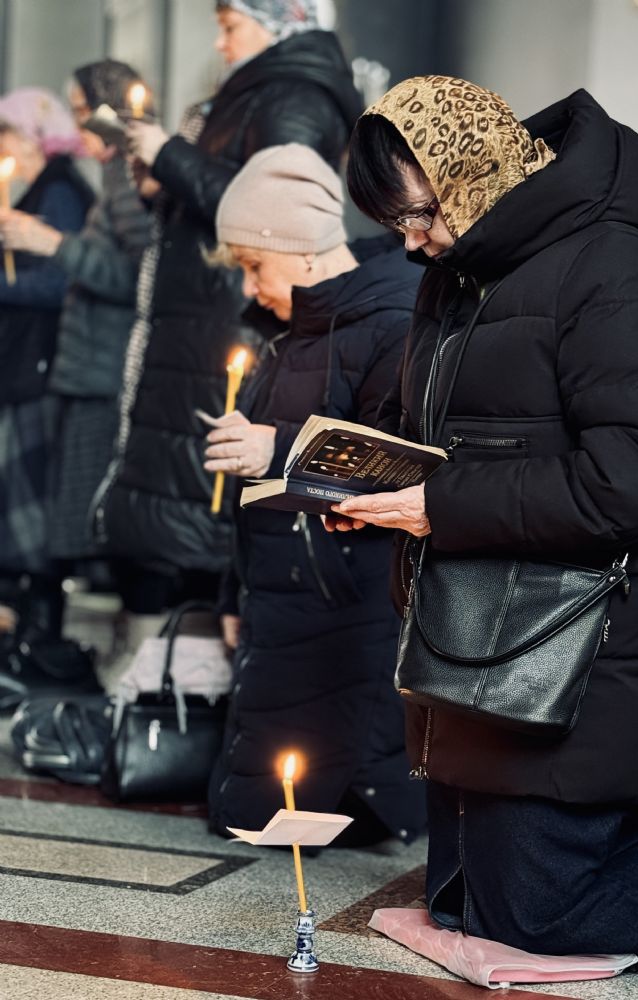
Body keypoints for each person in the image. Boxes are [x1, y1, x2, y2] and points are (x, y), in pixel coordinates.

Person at [337, 76, 638, 958]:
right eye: (396, 224)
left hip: (579, 644)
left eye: (420, 214)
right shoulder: (456, 275)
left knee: (537, 914)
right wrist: (367, 484)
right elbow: (441, 429)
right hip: (474, 640)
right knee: (466, 902)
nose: (412, 242)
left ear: (474, 173)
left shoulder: (613, 269)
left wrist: (439, 505)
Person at [93, 0, 363, 618]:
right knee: (173, 511)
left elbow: (268, 213)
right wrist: (160, 182)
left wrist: (169, 155)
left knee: (203, 506)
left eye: (230, 26)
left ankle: (196, 647)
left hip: (229, 318)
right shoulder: (250, 93)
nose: (220, 43)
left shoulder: (294, 97)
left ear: (277, 22)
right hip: (199, 318)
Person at [202, 143, 425, 845]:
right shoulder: (287, 334)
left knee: (294, 816)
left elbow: (392, 462)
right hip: (280, 605)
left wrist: (272, 447)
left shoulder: (394, 322)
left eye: (253, 265)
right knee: (246, 816)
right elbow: (253, 499)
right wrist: (232, 594)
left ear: (298, 250)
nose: (249, 287)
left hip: (346, 607)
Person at [0, 88, 93, 685]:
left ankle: (36, 641)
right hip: (25, 367)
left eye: (7, 135)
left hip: (39, 370)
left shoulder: (58, 192)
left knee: (29, 513)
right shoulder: (39, 189)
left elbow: (62, 281)